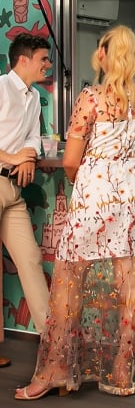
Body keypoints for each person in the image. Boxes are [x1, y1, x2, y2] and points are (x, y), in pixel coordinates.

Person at [15, 25, 135, 400]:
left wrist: (96, 168)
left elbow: (70, 161)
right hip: (133, 198)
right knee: (132, 288)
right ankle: (122, 371)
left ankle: (55, 372)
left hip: (94, 199)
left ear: (103, 55)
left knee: (70, 286)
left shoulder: (90, 98)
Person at [0, 33, 52, 369]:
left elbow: (34, 139)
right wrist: (14, 156)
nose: (47, 65)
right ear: (24, 60)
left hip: (12, 190)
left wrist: (28, 157)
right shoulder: (1, 88)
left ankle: (55, 349)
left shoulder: (34, 97)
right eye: (43, 59)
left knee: (31, 259)